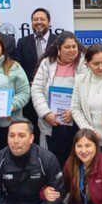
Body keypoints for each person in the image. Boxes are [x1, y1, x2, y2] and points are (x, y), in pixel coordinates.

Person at [31, 31, 86, 163]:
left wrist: (73, 110)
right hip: (52, 122)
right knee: (54, 160)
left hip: (76, 122)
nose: (72, 50)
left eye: (74, 47)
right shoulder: (46, 63)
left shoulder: (84, 64)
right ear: (59, 50)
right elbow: (36, 90)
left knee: (76, 160)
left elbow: (86, 91)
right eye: (67, 47)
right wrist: (46, 113)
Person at [15, 8, 56, 95]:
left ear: (49, 22)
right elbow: (18, 67)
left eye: (42, 19)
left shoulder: (58, 41)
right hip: (29, 92)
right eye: (35, 19)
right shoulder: (22, 42)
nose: (38, 22)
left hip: (52, 91)